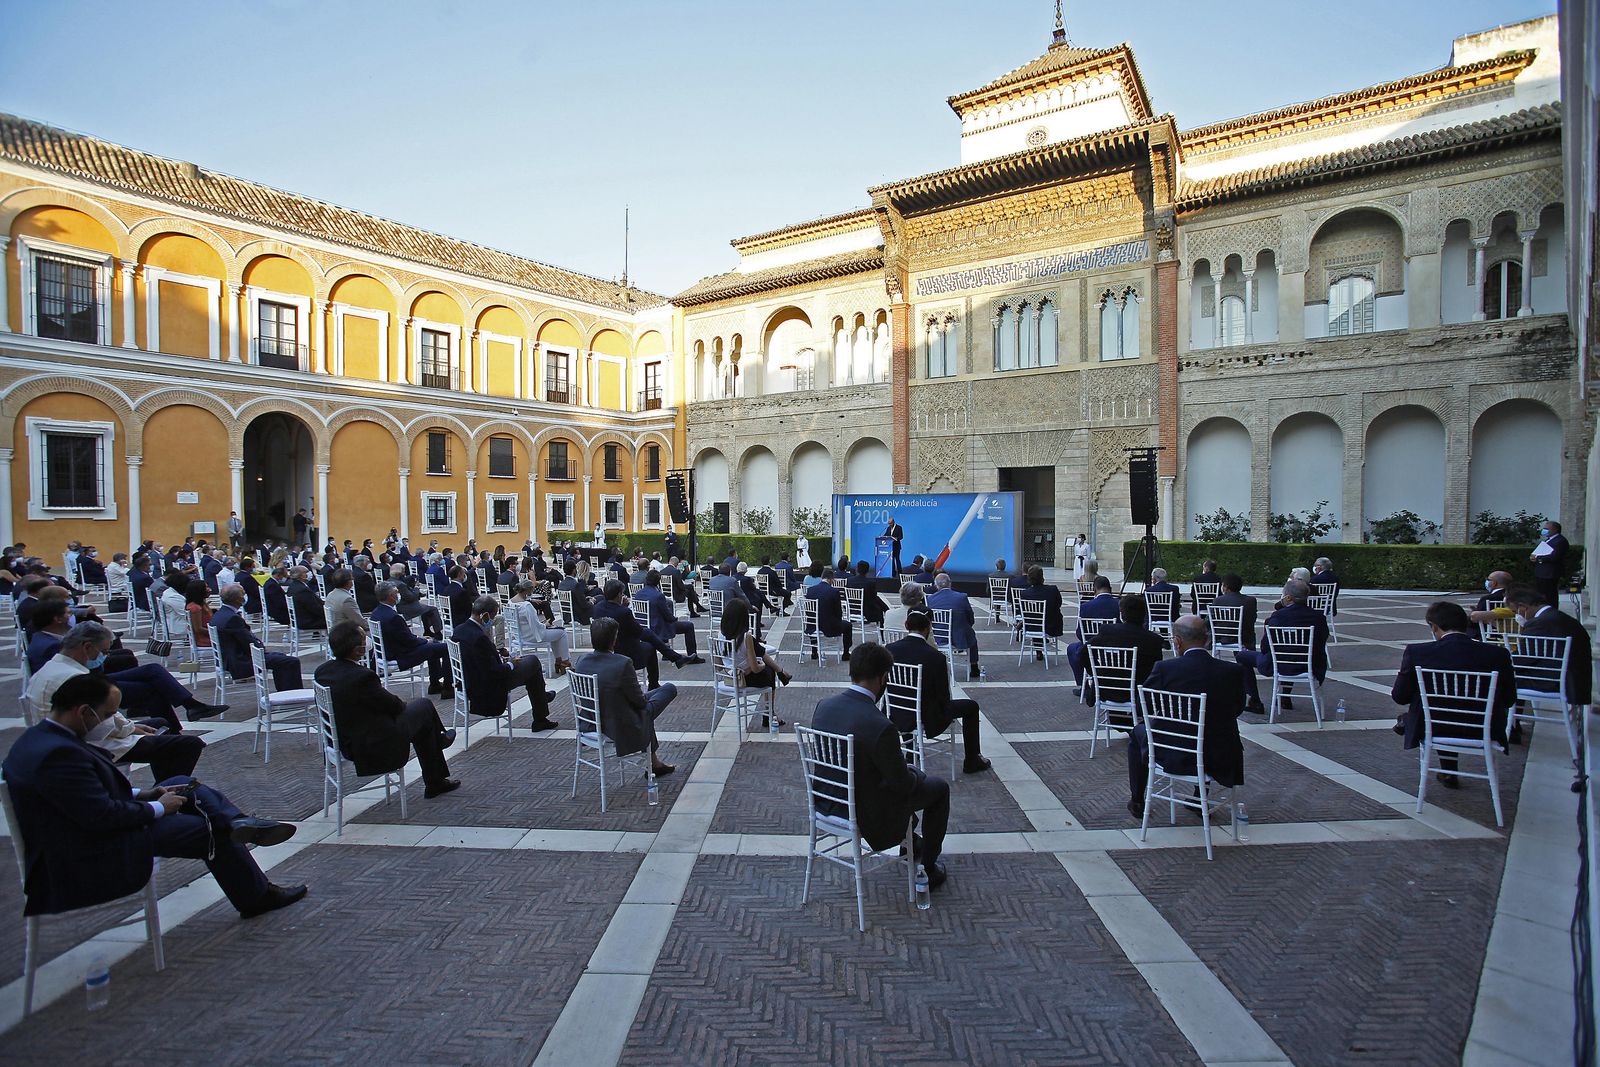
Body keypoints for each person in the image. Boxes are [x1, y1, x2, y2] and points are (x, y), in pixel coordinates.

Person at [3, 673, 306, 921]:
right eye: (108, 715)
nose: (112, 722)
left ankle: (237, 820)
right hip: (90, 849)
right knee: (210, 831)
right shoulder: (58, 754)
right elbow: (101, 816)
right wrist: (157, 807)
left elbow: (81, 797)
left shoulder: (43, 738)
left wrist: (143, 793)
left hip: (89, 826)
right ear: (84, 712)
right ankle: (255, 894)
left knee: (181, 782)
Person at [811, 643, 951, 889]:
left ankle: (911, 842)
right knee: (938, 789)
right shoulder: (880, 725)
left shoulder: (824, 707)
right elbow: (902, 784)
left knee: (902, 778)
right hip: (865, 812)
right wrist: (916, 774)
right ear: (883, 677)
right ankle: (928, 869)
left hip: (826, 801)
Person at [26, 623, 205, 782]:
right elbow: (100, 721)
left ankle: (164, 782)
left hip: (79, 735)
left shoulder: (52, 668)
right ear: (87, 647)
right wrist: (130, 729)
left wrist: (131, 727)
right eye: (103, 652)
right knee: (189, 745)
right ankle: (167, 789)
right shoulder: (73, 677)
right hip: (88, 743)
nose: (104, 657)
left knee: (160, 724)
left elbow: (103, 716)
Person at [314, 621, 460, 798]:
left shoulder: (322, 671)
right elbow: (393, 706)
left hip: (344, 737)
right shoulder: (362, 677)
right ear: (357, 650)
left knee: (424, 720)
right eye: (363, 639)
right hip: (370, 741)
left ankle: (436, 766)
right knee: (424, 708)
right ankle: (436, 766)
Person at [1125, 614, 1245, 819]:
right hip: (1220, 752)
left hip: (1173, 749)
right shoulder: (1231, 671)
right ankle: (1200, 798)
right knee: (1208, 729)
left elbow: (1144, 704)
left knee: (1138, 733)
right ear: (1206, 639)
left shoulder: (1165, 669)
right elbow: (1237, 708)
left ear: (1177, 641)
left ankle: (1137, 798)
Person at [1389, 601, 1516, 787]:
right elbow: (1509, 698)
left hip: (1435, 726)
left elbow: (1400, 696)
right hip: (1485, 727)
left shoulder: (1418, 652)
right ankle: (1408, 723)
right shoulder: (1497, 654)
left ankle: (1409, 726)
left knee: (1423, 712)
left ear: (1433, 627)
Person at [885, 609, 991, 773]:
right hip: (927, 716)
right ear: (929, 628)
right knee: (971, 707)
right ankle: (972, 759)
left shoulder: (889, 649)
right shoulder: (935, 657)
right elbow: (943, 698)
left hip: (896, 710)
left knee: (910, 699)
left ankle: (911, 752)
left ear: (906, 625)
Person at [574, 616, 680, 777]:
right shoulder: (622, 663)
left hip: (592, 719)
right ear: (614, 639)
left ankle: (654, 763)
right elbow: (640, 702)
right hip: (618, 722)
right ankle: (654, 764)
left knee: (653, 699)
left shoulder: (582, 660)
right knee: (666, 692)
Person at [455, 595, 558, 730]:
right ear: (485, 615)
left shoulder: (459, 630)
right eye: (492, 617)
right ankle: (541, 709)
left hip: (470, 679)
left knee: (531, 667)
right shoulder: (479, 638)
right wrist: (510, 664)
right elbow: (492, 672)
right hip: (487, 685)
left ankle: (541, 709)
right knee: (533, 662)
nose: (492, 621)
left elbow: (481, 661)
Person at [1233, 579, 1329, 714]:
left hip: (1279, 664)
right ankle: (1285, 696)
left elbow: (1266, 647)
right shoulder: (1318, 617)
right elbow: (1322, 641)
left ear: (1288, 597)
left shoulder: (1279, 617)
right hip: (1311, 665)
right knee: (1292, 654)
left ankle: (1255, 700)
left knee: (1242, 656)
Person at [593, 580, 697, 688]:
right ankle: (654, 682)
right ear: (619, 594)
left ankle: (675, 658)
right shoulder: (623, 612)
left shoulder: (598, 607)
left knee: (649, 634)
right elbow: (637, 631)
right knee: (650, 644)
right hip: (625, 651)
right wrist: (624, 607)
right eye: (622, 593)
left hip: (606, 647)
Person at [1505, 584, 1593, 706]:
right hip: (1572, 678)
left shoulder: (1540, 623)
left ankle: (1506, 722)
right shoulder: (1556, 616)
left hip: (1555, 680)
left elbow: (1523, 658)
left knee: (1499, 678)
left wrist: (1500, 661)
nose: (1516, 615)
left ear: (1523, 607)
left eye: (1515, 611)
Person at [214, 584, 303, 691]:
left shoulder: (220, 614)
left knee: (281, 657)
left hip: (232, 657)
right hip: (240, 661)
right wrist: (260, 646)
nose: (244, 596)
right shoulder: (232, 618)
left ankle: (285, 690)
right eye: (243, 594)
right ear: (238, 599)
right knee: (291, 661)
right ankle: (292, 694)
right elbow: (248, 642)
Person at [1082, 594, 1166, 707]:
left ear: (1121, 614)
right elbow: (1155, 671)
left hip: (1107, 689)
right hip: (1140, 694)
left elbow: (1083, 653)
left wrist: (1097, 673)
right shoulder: (1153, 640)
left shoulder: (1108, 631)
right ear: (1144, 614)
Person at [372, 581, 452, 697]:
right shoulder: (393, 617)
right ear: (390, 596)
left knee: (434, 645)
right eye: (396, 593)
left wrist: (422, 639)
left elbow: (404, 637)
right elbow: (409, 641)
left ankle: (435, 683)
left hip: (390, 651)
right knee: (446, 647)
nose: (398, 595)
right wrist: (424, 640)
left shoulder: (376, 612)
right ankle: (448, 687)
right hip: (401, 655)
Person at [719, 597, 791, 697]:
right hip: (744, 678)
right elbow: (755, 669)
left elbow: (718, 665)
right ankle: (768, 709)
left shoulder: (720, 635)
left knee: (759, 652)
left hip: (728, 676)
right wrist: (762, 665)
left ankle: (781, 672)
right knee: (769, 671)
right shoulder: (746, 636)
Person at [506, 579, 573, 672]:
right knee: (562, 632)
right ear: (528, 590)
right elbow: (535, 625)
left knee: (555, 634)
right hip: (532, 635)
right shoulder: (526, 606)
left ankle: (559, 661)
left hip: (519, 635)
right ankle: (564, 662)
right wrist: (545, 624)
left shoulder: (511, 602)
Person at [1067, 576, 1120, 685]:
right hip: (1115, 649)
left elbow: (1080, 633)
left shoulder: (1085, 607)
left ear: (1094, 590)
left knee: (1072, 649)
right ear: (1110, 588)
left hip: (1092, 649)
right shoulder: (1119, 604)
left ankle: (1083, 685)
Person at [927, 572, 981, 681]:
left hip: (939, 638)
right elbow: (970, 617)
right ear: (950, 584)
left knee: (968, 632)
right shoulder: (961, 597)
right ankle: (974, 666)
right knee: (971, 636)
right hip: (960, 638)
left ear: (936, 585)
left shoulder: (930, 600)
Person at [636, 568, 697, 658]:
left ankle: (666, 651)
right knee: (689, 626)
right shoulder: (658, 595)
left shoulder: (638, 593)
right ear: (658, 582)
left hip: (644, 626)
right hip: (658, 627)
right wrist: (675, 618)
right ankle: (693, 655)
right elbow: (668, 617)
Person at [803, 566, 852, 661]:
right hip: (829, 626)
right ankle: (846, 653)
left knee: (814, 619)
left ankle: (814, 651)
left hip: (812, 625)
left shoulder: (810, 590)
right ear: (831, 579)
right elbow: (838, 613)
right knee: (848, 625)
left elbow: (808, 610)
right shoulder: (834, 591)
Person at [1015, 565, 1064, 646]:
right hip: (1051, 626)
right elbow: (1059, 604)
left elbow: (1022, 611)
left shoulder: (1025, 593)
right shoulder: (1053, 590)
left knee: (1035, 619)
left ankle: (1038, 649)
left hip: (1031, 626)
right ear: (1042, 576)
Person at [1210, 574, 1259, 648]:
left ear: (1225, 587)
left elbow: (1210, 620)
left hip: (1224, 637)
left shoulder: (1218, 600)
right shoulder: (1251, 600)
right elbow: (1253, 618)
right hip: (1245, 637)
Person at [1531, 519, 1571, 607]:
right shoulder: (1549, 540)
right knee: (1542, 595)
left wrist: (1538, 558)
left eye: (1547, 529)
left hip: (1550, 573)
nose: (1544, 530)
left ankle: (1551, 611)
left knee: (1549, 595)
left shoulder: (1560, 541)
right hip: (1542, 573)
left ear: (1555, 529)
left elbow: (1554, 557)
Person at [846, 560, 887, 628]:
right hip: (866, 611)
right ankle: (881, 633)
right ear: (867, 571)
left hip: (852, 609)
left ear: (857, 569)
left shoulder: (849, 581)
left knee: (877, 602)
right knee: (879, 609)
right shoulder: (870, 583)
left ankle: (886, 609)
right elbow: (873, 599)